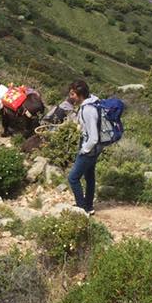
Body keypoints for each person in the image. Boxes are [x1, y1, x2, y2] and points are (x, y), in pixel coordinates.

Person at [67, 79, 102, 215]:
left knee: (73, 178)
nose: (70, 97)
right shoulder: (91, 102)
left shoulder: (88, 110)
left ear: (80, 95)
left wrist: (84, 150)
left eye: (72, 94)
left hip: (90, 148)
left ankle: (82, 208)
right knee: (89, 176)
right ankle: (89, 206)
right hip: (94, 147)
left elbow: (93, 137)